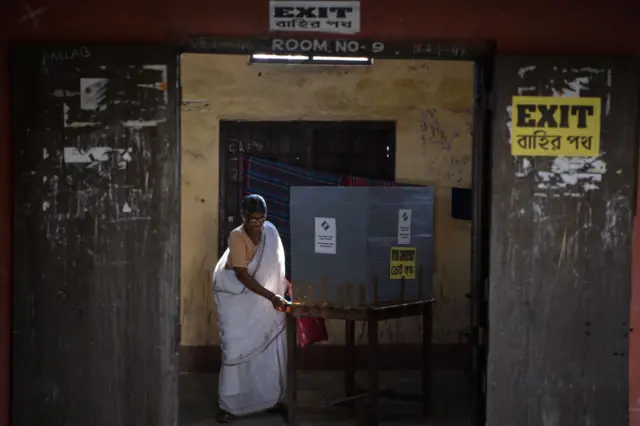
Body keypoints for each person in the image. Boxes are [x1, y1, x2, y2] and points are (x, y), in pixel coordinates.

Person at [211, 194, 290, 423]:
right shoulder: (237, 236)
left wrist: (281, 287)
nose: (257, 223)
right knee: (236, 352)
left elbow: (274, 266)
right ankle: (229, 406)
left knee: (266, 350)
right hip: (236, 299)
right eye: (252, 219)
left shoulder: (270, 232)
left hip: (261, 299)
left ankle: (269, 399)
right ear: (243, 217)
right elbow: (242, 275)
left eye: (261, 218)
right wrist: (272, 297)